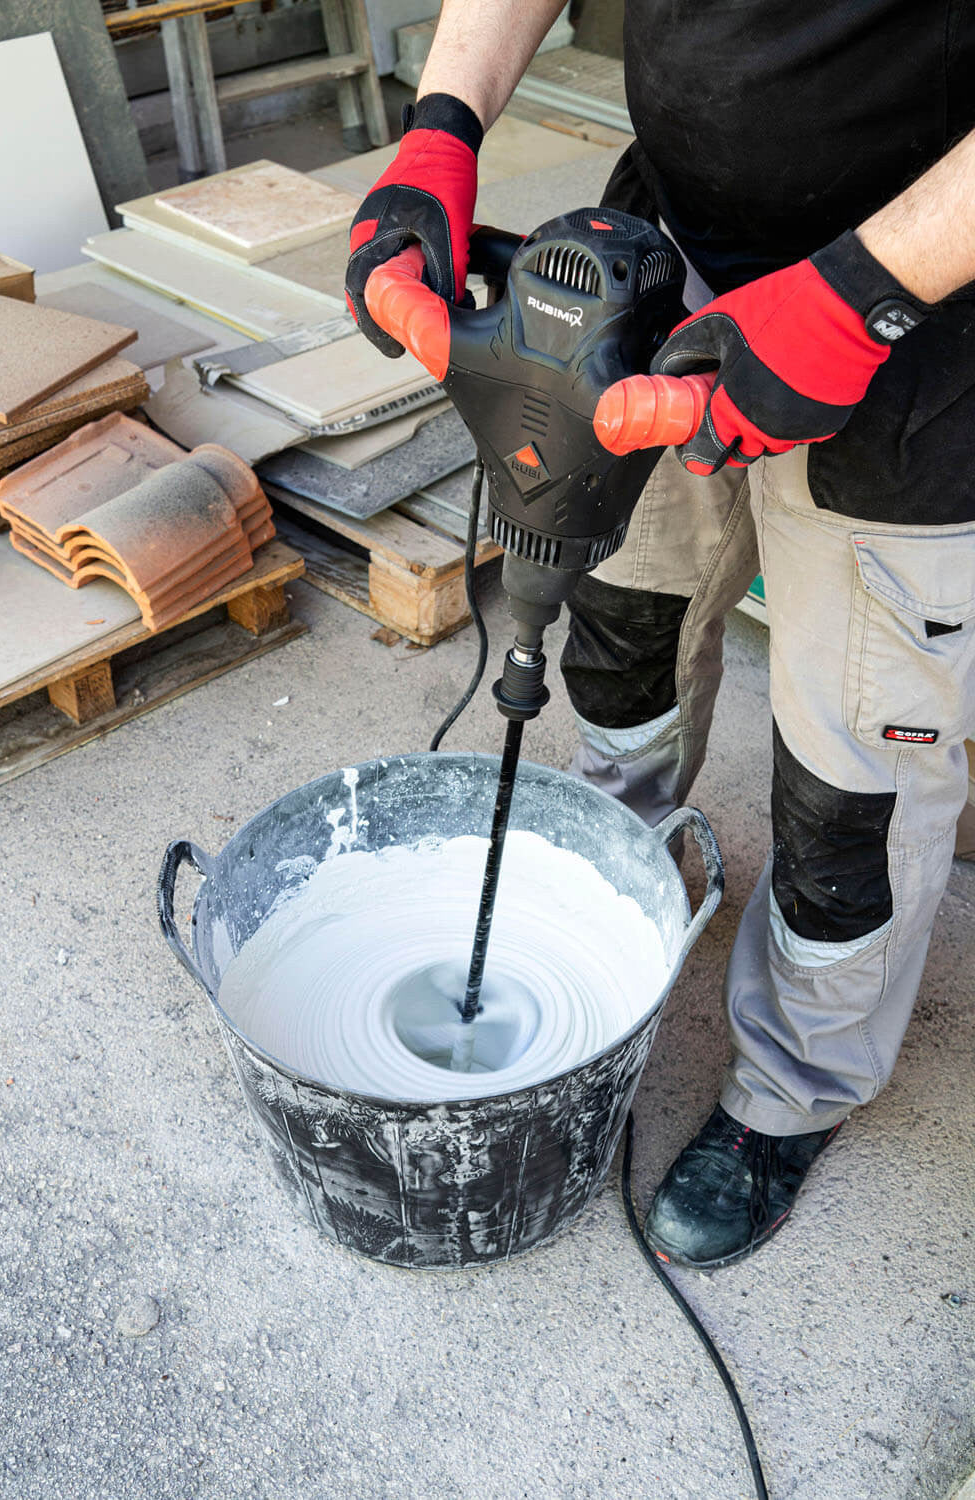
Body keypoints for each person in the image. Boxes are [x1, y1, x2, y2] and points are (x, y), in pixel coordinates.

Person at [345, 2, 975, 1269]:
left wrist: (857, 296)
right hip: (667, 255)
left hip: (925, 311)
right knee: (622, 625)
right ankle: (616, 884)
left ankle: (792, 1089)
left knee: (847, 785)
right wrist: (440, 130)